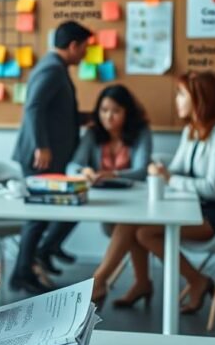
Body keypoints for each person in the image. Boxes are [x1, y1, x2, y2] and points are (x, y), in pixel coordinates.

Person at [90, 71, 215, 314]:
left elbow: (213, 188)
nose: (177, 100)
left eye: (181, 94)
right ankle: (150, 282)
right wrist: (162, 171)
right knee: (136, 226)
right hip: (197, 205)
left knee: (142, 231)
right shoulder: (192, 131)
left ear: (200, 99)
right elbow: (178, 170)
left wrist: (170, 178)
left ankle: (101, 282)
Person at [10, 21, 92, 294]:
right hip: (40, 157)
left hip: (45, 155)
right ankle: (22, 272)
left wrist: (90, 119)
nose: (85, 55)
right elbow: (33, 107)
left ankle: (38, 258)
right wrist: (41, 146)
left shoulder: (56, 68)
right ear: (73, 46)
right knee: (37, 216)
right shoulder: (52, 69)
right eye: (85, 48)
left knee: (47, 213)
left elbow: (58, 113)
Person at [65, 85, 155, 308]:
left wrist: (113, 174)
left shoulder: (141, 131)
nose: (108, 116)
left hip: (135, 202)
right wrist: (83, 172)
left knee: (132, 222)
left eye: (115, 111)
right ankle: (142, 283)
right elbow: (72, 165)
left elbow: (142, 170)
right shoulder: (93, 133)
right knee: (132, 227)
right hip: (106, 205)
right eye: (104, 110)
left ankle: (98, 281)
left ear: (127, 112)